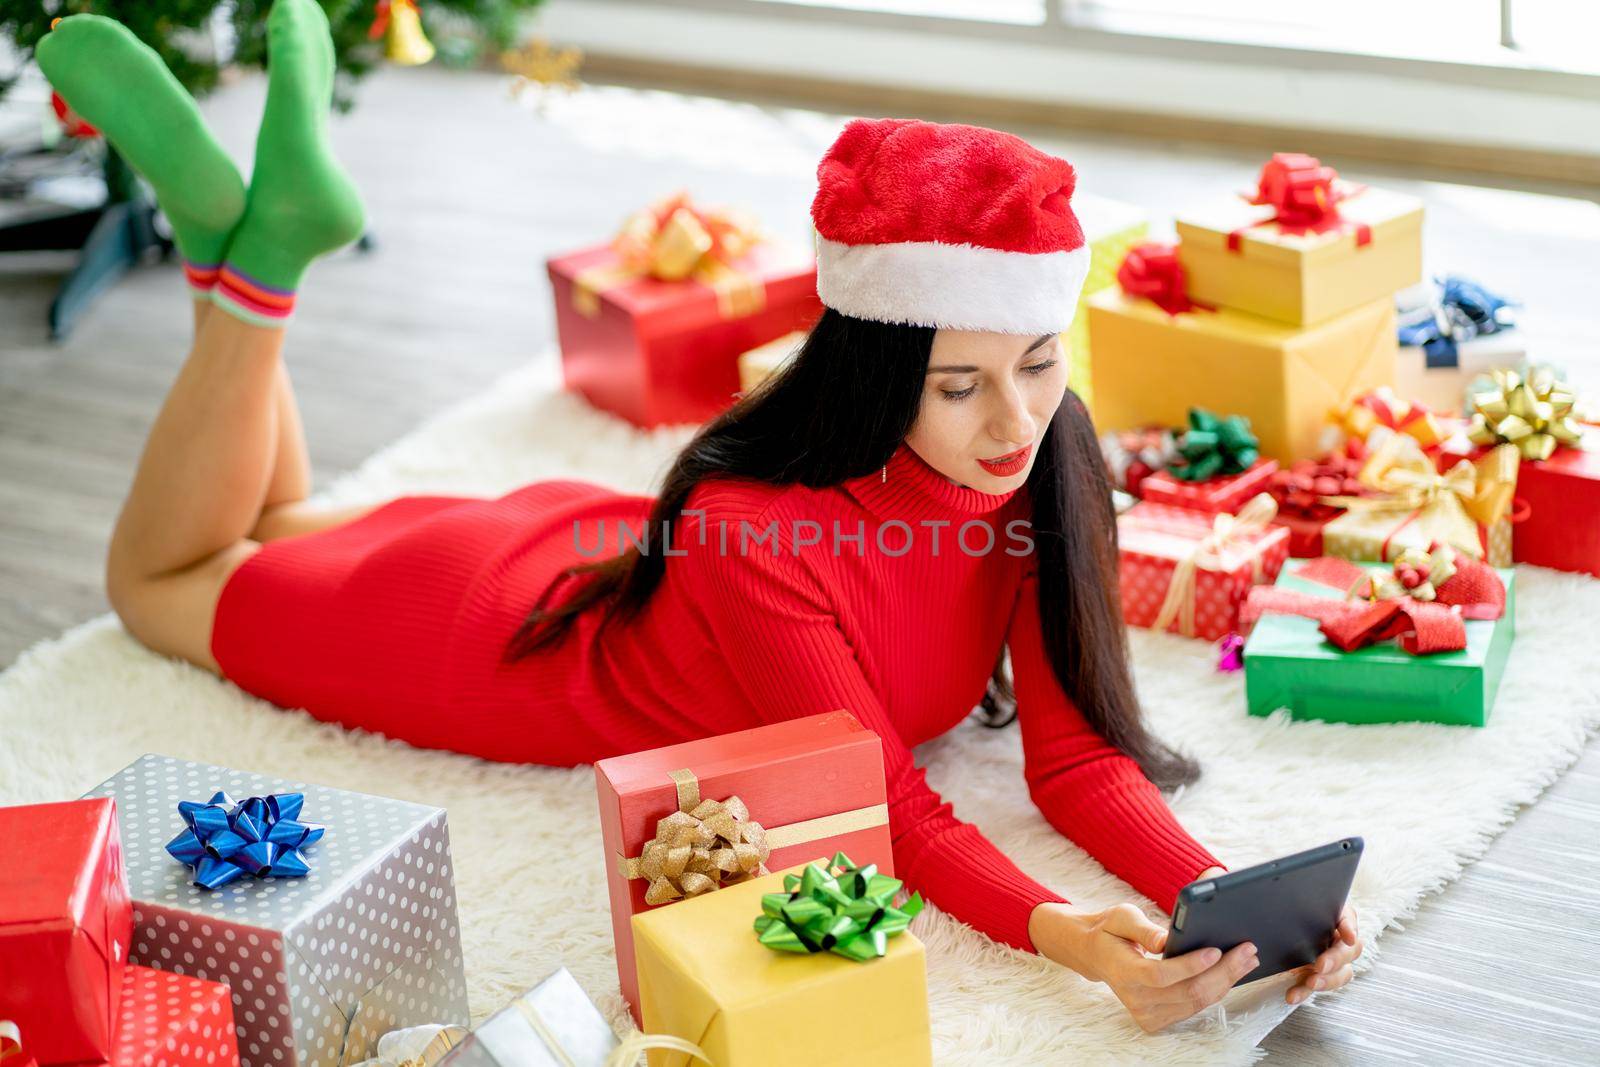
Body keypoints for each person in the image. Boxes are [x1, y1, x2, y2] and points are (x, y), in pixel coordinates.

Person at [37, 0, 1361, 1032]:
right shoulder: (756, 536)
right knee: (170, 582)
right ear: (874, 370)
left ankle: (228, 234)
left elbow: (1070, 763)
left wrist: (1225, 901)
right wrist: (1064, 934)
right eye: (958, 386)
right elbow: (888, 812)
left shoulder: (1036, 462)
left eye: (1036, 361)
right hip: (485, 637)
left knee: (287, 515)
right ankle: (250, 280)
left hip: (593, 556)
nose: (1015, 423)